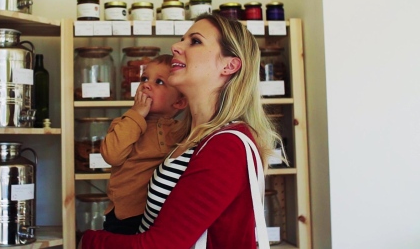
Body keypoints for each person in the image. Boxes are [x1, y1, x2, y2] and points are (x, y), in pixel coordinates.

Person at [80, 13, 282, 248]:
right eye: (181, 39)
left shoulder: (226, 146)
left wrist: (88, 240)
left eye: (195, 41)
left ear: (229, 65)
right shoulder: (191, 138)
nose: (176, 46)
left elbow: (163, 245)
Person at [100, 54, 188, 235]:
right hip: (127, 217)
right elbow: (112, 155)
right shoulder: (123, 124)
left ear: (179, 102)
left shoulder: (182, 130)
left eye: (159, 82)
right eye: (144, 79)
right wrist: (136, 114)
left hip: (165, 216)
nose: (146, 84)